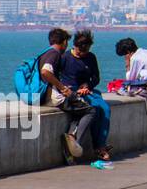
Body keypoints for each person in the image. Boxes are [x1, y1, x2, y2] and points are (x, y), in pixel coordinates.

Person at [36, 28, 101, 163]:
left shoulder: (46, 53)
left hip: (45, 96)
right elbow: (45, 73)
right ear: (64, 41)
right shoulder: (55, 54)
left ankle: (70, 147)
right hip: (55, 97)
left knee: (78, 112)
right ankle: (73, 140)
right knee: (90, 110)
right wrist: (63, 88)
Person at [69, 29, 112, 161]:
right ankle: (98, 146)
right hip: (74, 92)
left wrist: (88, 86)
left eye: (86, 51)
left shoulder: (91, 57)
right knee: (95, 109)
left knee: (105, 108)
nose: (83, 54)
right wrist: (77, 90)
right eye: (81, 51)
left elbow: (96, 77)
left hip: (89, 90)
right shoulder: (66, 58)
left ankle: (101, 145)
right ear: (75, 46)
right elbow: (63, 79)